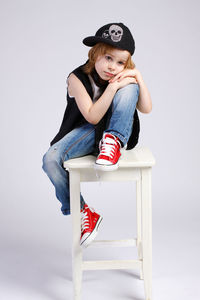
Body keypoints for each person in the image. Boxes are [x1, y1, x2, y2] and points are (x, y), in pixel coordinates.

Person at [42, 22, 152, 248]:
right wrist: (112, 88)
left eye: (121, 62)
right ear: (95, 54)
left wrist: (137, 77)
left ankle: (113, 141)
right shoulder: (76, 78)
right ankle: (84, 212)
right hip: (87, 132)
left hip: (116, 132)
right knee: (50, 160)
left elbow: (146, 108)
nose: (113, 67)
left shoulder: (124, 78)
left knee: (130, 87)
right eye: (108, 58)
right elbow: (92, 116)